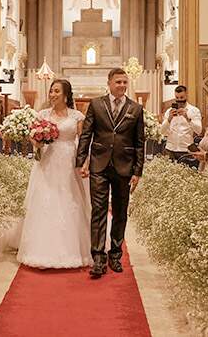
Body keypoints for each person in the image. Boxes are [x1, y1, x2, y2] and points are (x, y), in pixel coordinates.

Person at [76, 68, 145, 278]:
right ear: (109, 83)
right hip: (99, 164)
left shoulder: (135, 108)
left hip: (124, 166)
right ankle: (98, 257)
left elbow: (139, 142)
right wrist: (81, 161)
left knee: (120, 212)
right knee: (98, 210)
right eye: (118, 82)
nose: (122, 85)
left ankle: (115, 254)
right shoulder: (96, 104)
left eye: (124, 82)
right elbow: (86, 134)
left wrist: (138, 171)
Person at [18, 79, 91, 268]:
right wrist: (37, 141)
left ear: (66, 95)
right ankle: (40, 250)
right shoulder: (42, 114)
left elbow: (83, 142)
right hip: (47, 161)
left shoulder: (77, 116)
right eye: (51, 91)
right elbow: (33, 137)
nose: (52, 94)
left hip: (69, 162)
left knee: (70, 198)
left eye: (57, 91)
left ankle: (73, 250)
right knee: (45, 200)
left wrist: (84, 163)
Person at [160, 85, 202, 169]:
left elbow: (199, 130)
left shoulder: (194, 111)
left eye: (182, 97)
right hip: (169, 149)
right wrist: (169, 119)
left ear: (186, 95)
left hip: (186, 150)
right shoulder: (169, 112)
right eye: (177, 97)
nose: (179, 100)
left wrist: (187, 118)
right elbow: (162, 131)